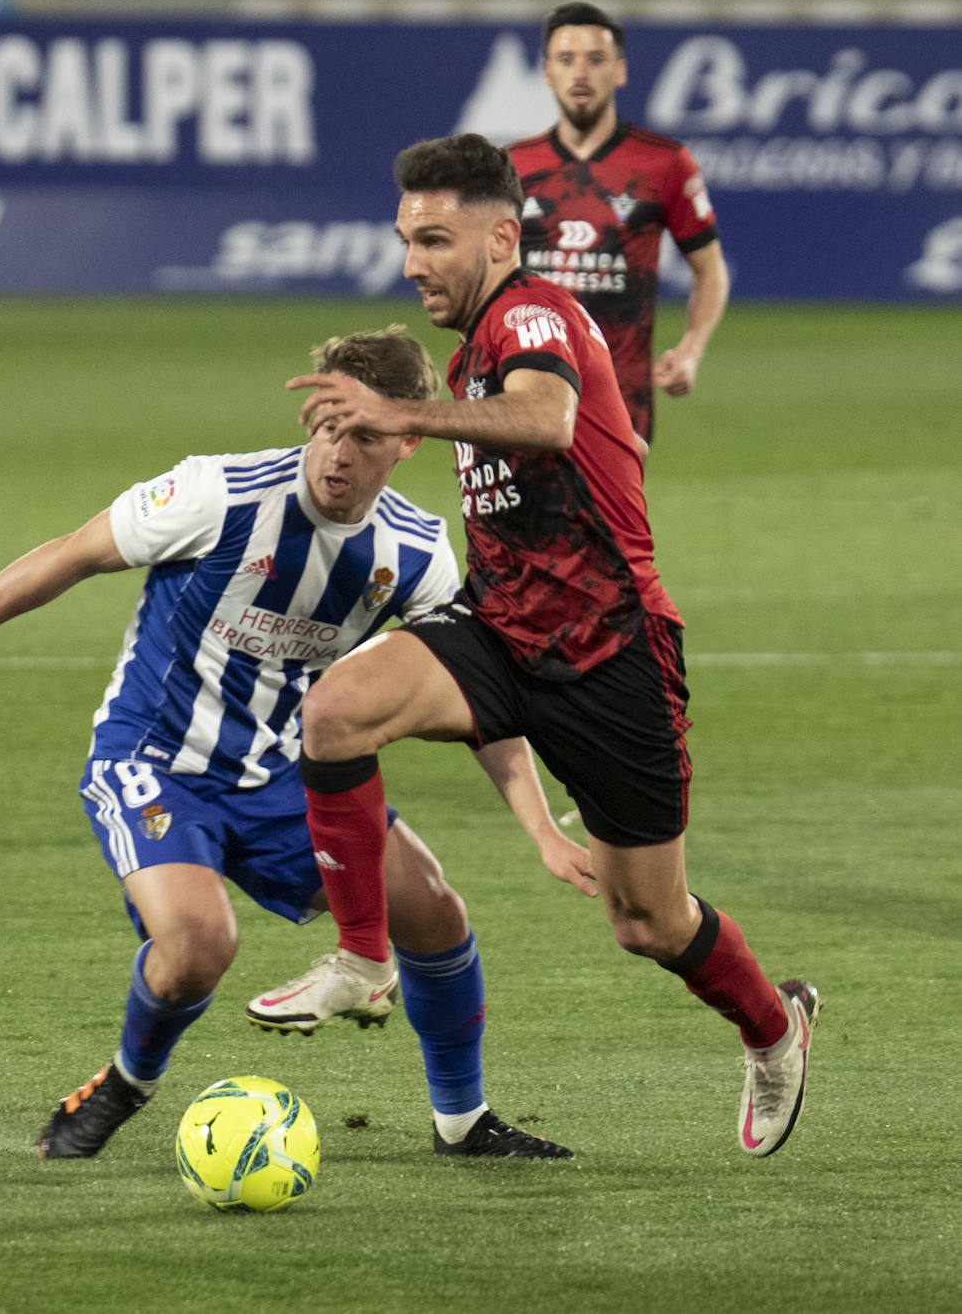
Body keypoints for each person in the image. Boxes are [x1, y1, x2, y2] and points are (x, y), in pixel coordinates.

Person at [0, 325, 584, 1162]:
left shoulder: (416, 549)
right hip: (152, 761)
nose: (338, 454)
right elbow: (76, 552)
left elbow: (477, 700)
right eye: (327, 427)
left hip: (286, 776)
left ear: (408, 440)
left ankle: (463, 1122)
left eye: (362, 436)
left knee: (432, 910)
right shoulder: (216, 494)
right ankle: (124, 1085)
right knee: (199, 948)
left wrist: (541, 828)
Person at [250, 136, 820, 1159]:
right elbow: (584, 436)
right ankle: (364, 955)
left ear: (501, 235)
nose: (412, 260)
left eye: (433, 238)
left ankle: (774, 1028)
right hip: (500, 628)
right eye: (404, 239)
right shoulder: (480, 342)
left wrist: (394, 408)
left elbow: (549, 420)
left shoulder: (530, 312)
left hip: (609, 654)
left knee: (646, 921)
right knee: (334, 711)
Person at [505, 1, 730, 445]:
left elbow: (710, 269)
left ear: (620, 71)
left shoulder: (664, 164)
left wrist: (690, 350)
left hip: (620, 399)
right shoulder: (513, 167)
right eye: (566, 60)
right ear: (547, 72)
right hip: (526, 387)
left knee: (609, 518)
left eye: (595, 59)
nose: (581, 73)